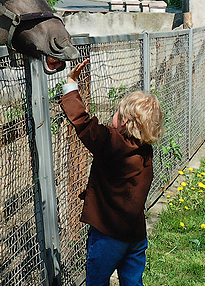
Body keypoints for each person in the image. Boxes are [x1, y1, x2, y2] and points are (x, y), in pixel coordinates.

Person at [60, 58, 164, 286]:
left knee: (97, 282)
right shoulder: (145, 149)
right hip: (135, 236)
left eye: (117, 113)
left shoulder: (113, 143)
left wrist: (70, 84)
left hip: (108, 236)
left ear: (124, 121)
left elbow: (85, 124)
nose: (113, 117)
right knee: (133, 282)